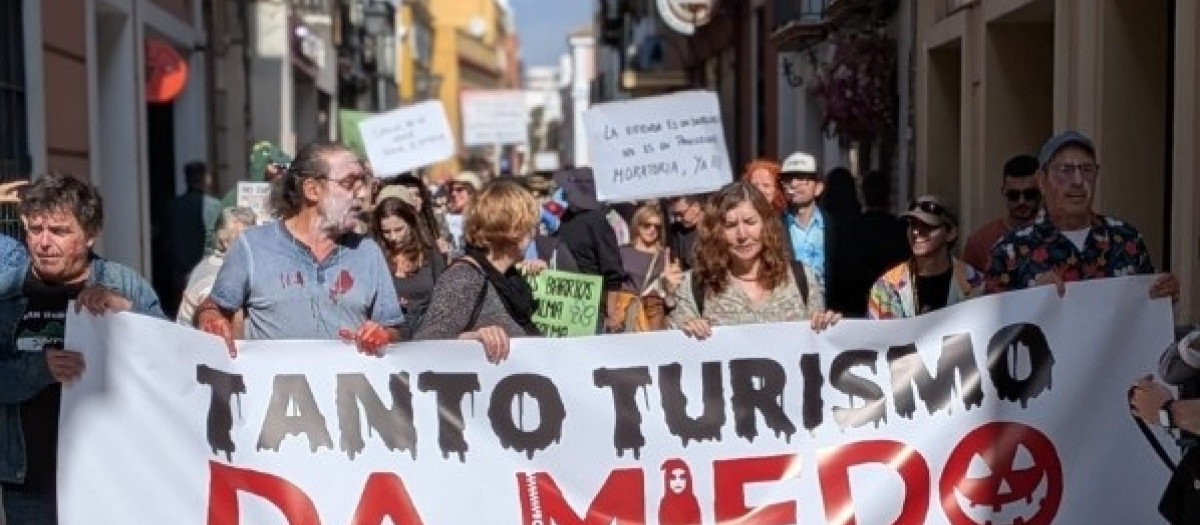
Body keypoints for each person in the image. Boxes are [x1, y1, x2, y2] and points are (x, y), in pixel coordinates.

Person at [1, 173, 163, 523]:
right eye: (35, 229)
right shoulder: (7, 292)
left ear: (89, 235)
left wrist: (127, 314)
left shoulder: (123, 284)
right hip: (29, 486)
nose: (44, 242)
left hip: (110, 478)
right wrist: (39, 370)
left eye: (59, 231)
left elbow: (171, 364)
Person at [194, 141, 404, 357]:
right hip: (273, 389)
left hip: (346, 389)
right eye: (349, 184)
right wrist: (209, 318)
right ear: (312, 190)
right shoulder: (252, 246)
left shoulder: (368, 252)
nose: (360, 194)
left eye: (362, 184)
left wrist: (383, 335)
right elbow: (215, 307)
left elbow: (392, 329)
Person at [984, 131, 1179, 300]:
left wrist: (1165, 291)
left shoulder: (1127, 239)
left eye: (1086, 170)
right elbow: (994, 330)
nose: (1078, 181)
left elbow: (1148, 304)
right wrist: (1030, 300)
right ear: (1042, 181)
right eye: (1065, 170)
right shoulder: (1009, 252)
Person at [667, 181, 840, 340]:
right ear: (716, 232)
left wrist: (827, 326)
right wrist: (686, 332)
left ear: (766, 225)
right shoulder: (695, 285)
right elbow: (674, 353)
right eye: (731, 226)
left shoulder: (802, 278)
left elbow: (817, 347)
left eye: (750, 222)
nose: (742, 235)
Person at [414, 180, 542, 362]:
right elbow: (424, 346)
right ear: (513, 229)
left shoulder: (511, 277)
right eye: (530, 226)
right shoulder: (464, 277)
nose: (534, 233)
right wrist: (473, 339)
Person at [868, 196, 984, 319]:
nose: (916, 232)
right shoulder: (886, 286)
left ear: (950, 233)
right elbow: (878, 336)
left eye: (927, 225)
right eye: (913, 225)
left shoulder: (975, 283)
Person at [554, 168, 626, 333]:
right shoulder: (564, 218)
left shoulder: (597, 221)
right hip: (567, 307)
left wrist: (611, 312)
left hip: (592, 310)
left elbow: (612, 271)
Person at [371, 197, 446, 337]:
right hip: (388, 335)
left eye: (399, 229)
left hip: (425, 333)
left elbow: (444, 292)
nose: (393, 237)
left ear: (410, 224)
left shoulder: (429, 252)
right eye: (386, 232)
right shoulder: (375, 254)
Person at [779, 152, 842, 309]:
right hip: (789, 313)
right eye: (787, 179)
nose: (793, 184)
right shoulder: (774, 226)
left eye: (801, 178)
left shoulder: (836, 227)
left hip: (828, 315)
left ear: (818, 187)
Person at [176, 207, 257, 327]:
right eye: (243, 240)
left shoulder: (240, 266)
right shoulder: (215, 277)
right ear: (225, 242)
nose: (251, 245)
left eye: (254, 239)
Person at [163, 161, 224, 315]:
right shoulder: (216, 206)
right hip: (208, 273)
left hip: (179, 274)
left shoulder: (173, 206)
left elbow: (168, 241)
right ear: (206, 179)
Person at [963, 154, 1041, 272]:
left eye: (1029, 194)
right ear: (1003, 191)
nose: (1022, 202)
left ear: (1042, 191)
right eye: (1013, 195)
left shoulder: (1057, 235)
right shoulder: (979, 241)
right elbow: (968, 287)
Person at [613, 203, 670, 332]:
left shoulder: (663, 257)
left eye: (657, 227)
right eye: (647, 225)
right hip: (625, 314)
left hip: (652, 317)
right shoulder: (622, 252)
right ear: (637, 225)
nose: (652, 230)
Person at [220, 141, 292, 209]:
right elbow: (221, 220)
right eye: (279, 166)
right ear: (262, 167)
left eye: (286, 166)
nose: (283, 171)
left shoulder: (288, 196)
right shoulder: (234, 197)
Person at [443, 171, 482, 255]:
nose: (453, 193)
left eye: (459, 189)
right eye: (451, 190)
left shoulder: (483, 219)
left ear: (472, 192)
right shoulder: (443, 219)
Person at [665, 194, 704, 270]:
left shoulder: (718, 228)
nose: (678, 219)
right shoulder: (678, 231)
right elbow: (678, 262)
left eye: (680, 214)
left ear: (696, 207)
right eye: (675, 215)